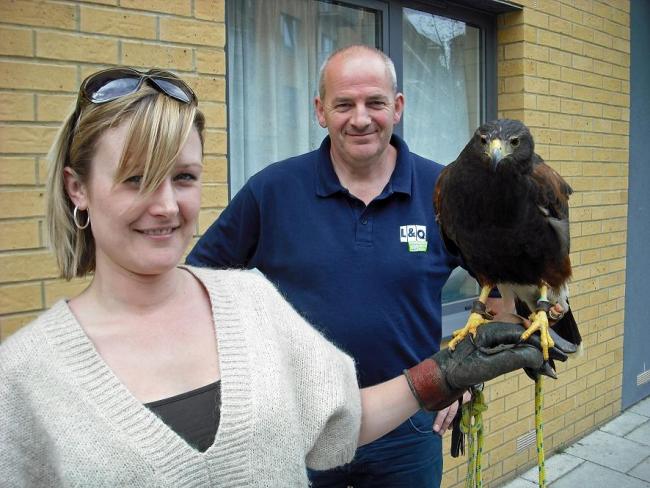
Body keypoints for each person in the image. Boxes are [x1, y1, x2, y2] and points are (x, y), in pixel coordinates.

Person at [0, 66, 562, 488]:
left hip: (409, 437)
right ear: (78, 189)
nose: (167, 206)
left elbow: (336, 415)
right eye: (135, 179)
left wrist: (447, 376)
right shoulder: (22, 379)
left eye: (186, 177)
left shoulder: (249, 304)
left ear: (399, 106)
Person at [187, 45, 476, 486]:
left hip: (409, 427)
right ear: (320, 111)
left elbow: (500, 285)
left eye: (375, 102)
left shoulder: (444, 191)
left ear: (397, 108)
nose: (360, 118)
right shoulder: (273, 191)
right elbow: (195, 284)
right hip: (303, 426)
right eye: (344, 104)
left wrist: (464, 371)